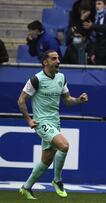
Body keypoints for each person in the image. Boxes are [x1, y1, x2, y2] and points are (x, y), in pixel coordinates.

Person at [17, 50, 88, 200]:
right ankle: (57, 180)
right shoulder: (36, 80)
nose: (58, 61)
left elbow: (67, 100)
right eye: (54, 59)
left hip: (55, 122)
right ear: (45, 62)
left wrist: (78, 100)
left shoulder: (61, 77)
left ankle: (26, 187)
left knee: (47, 160)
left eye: (58, 58)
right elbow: (21, 100)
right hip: (41, 122)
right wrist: (29, 120)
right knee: (64, 145)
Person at [83, 0, 106, 65]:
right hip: (100, 52)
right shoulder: (97, 17)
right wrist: (93, 52)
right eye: (96, 4)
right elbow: (95, 38)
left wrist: (92, 25)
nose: (96, 6)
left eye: (99, 4)